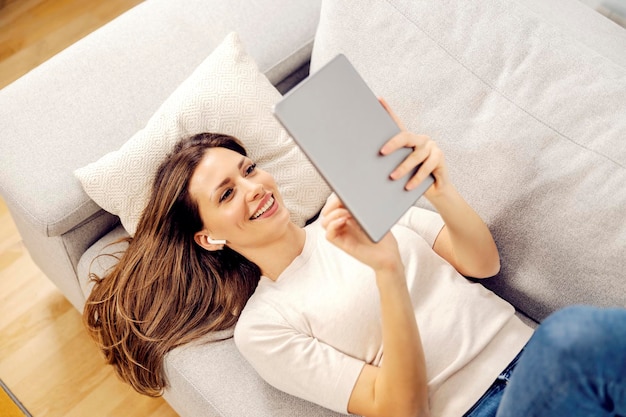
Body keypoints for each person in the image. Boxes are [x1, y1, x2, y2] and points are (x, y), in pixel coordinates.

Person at [84, 100, 626, 417]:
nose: (252, 188)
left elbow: (481, 263)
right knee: (573, 335)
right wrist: (387, 270)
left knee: (570, 341)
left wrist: (437, 189)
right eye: (225, 194)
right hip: (481, 408)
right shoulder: (265, 326)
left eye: (248, 169)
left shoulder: (356, 207)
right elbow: (402, 409)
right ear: (208, 238)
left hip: (539, 356)